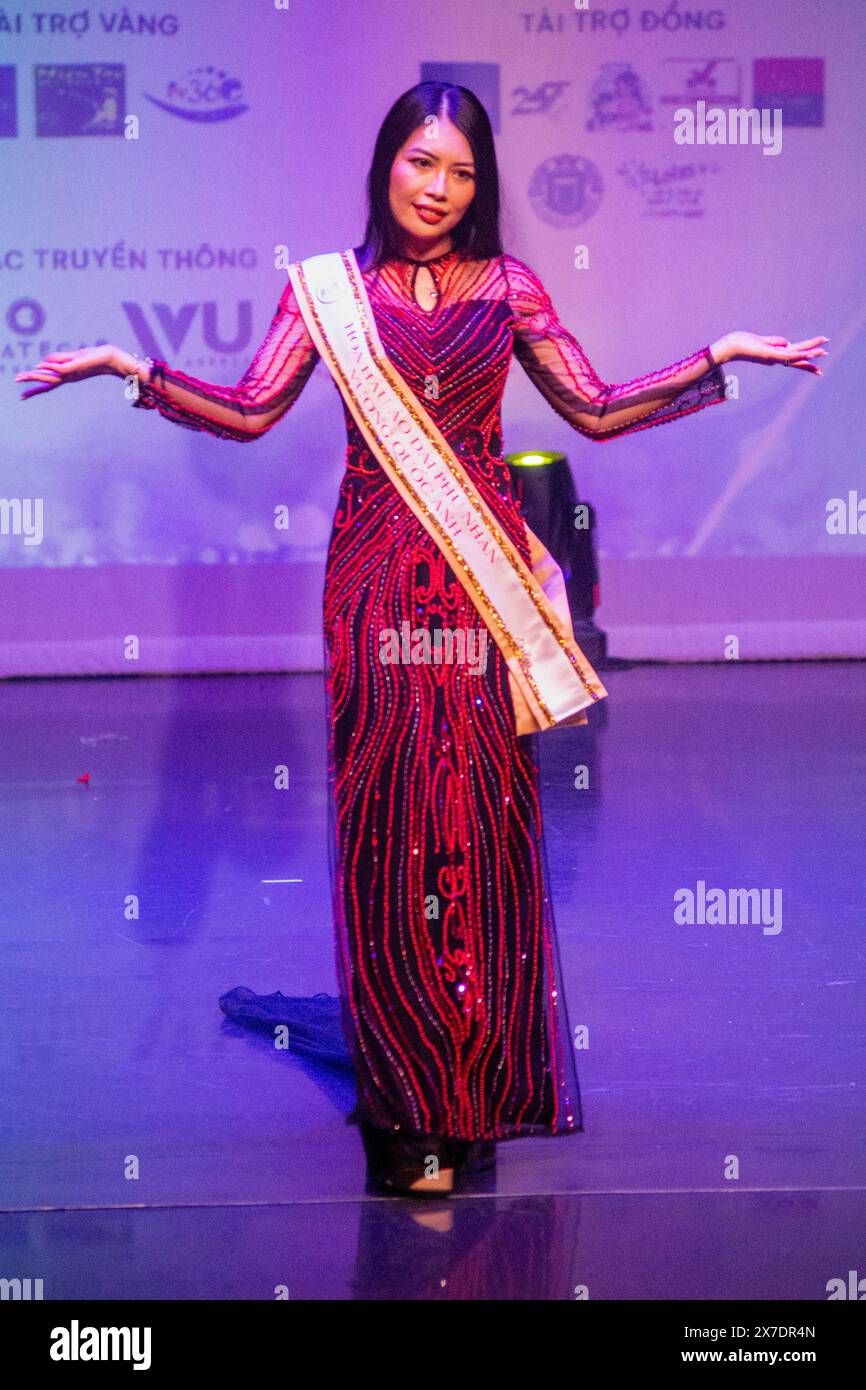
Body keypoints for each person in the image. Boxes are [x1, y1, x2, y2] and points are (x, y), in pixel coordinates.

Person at [17, 82, 827, 1199]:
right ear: (384, 164)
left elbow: (589, 407)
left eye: (459, 172)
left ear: (478, 186)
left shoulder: (508, 287)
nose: (437, 189)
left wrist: (713, 358)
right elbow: (253, 410)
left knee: (481, 826)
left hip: (478, 588)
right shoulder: (327, 291)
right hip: (370, 586)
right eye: (419, 163)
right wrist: (134, 373)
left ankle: (474, 1083)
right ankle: (406, 1105)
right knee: (391, 826)